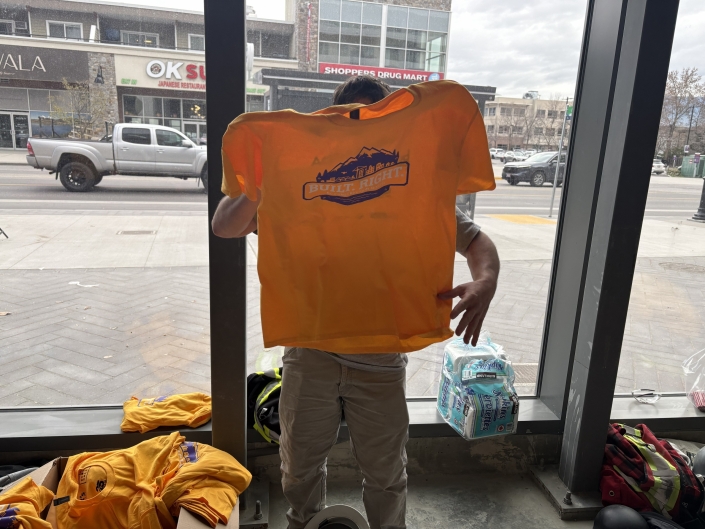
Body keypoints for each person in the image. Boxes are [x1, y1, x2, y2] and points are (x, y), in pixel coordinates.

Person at [212, 75, 500, 529]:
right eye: (353, 120)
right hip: (310, 351)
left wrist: (486, 281)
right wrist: (267, 178)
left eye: (374, 121)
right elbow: (225, 226)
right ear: (333, 120)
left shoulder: (410, 183)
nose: (362, 129)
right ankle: (304, 523)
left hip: (381, 356)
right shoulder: (299, 173)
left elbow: (477, 242)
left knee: (386, 474)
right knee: (299, 467)